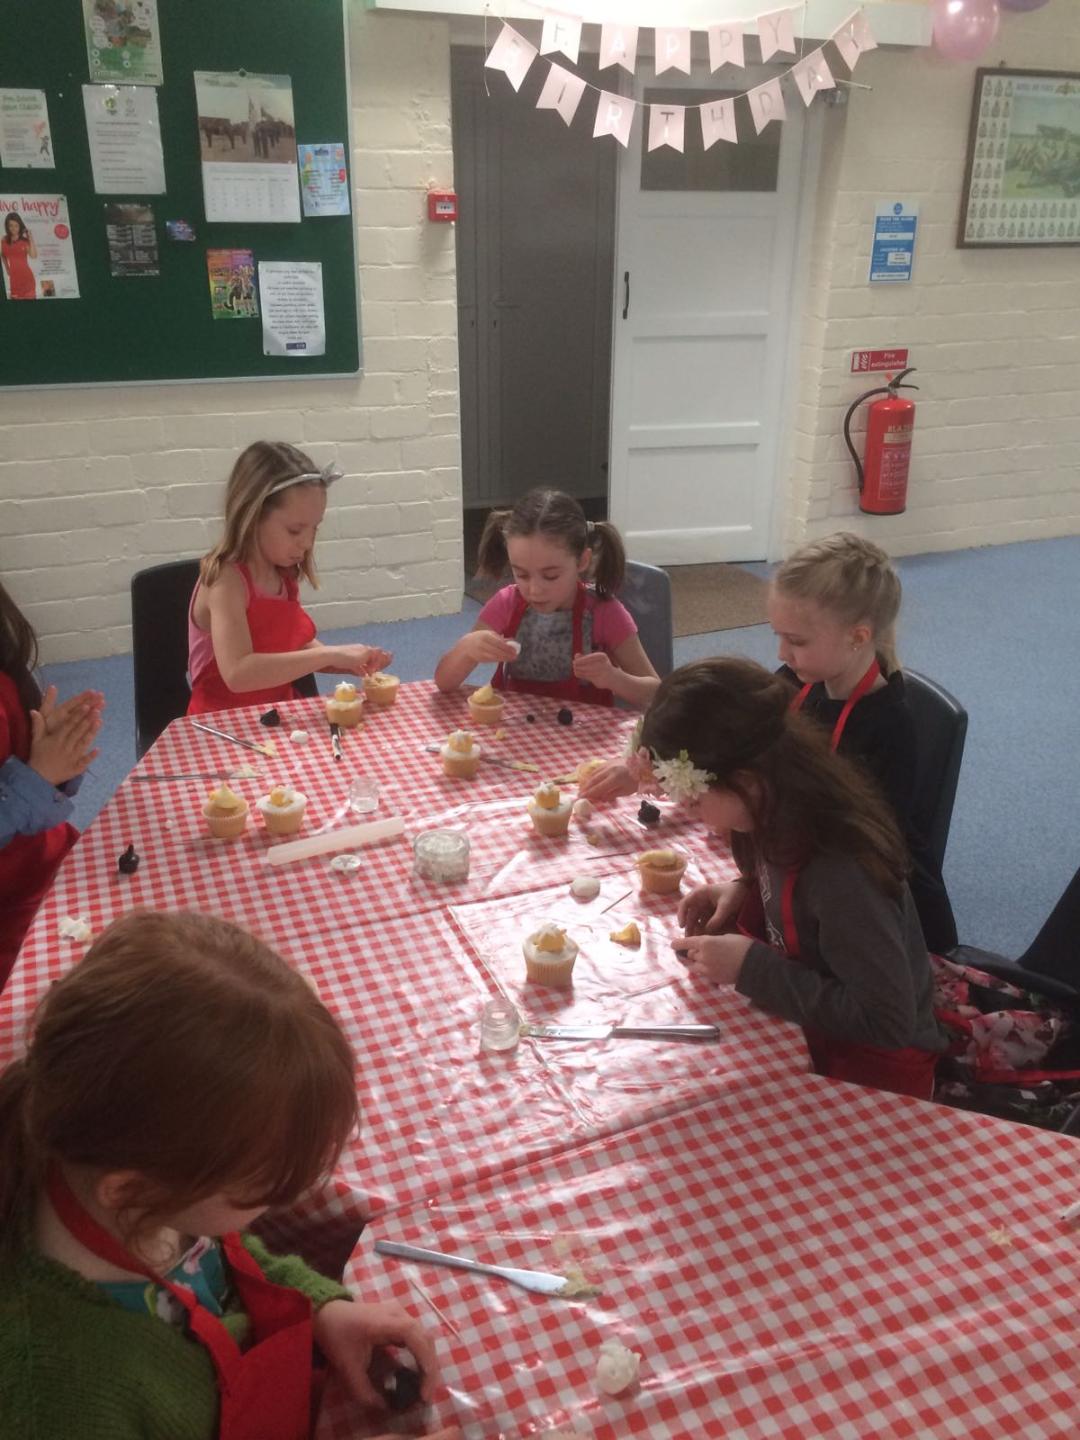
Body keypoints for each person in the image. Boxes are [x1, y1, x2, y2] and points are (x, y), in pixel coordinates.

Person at [0, 909, 459, 1440]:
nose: (284, 1200)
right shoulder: (56, 1394)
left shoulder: (132, 1187)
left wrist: (321, 1310)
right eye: (267, 1188)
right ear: (131, 1190)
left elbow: (221, 1264)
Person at [643, 658, 947, 1099]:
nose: (689, 812)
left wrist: (751, 968)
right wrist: (743, 891)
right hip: (811, 1032)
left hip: (877, 1075)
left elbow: (887, 1021)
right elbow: (793, 898)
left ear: (747, 781)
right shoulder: (772, 811)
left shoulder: (840, 871)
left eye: (693, 800)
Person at [765, 532, 957, 953]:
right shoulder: (798, 679)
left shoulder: (887, 726)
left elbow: (861, 843)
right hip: (810, 871)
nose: (781, 653)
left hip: (881, 911)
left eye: (796, 641)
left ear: (857, 637)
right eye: (778, 635)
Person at [188, 441, 392, 716]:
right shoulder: (225, 581)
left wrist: (348, 661)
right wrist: (330, 655)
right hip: (220, 720)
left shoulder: (282, 573)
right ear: (253, 516)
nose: (306, 543)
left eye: (314, 529)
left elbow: (295, 645)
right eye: (295, 530)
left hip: (276, 711)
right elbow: (238, 673)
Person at [434, 488, 658, 706]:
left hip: (582, 730)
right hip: (515, 727)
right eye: (521, 574)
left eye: (550, 576)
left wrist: (614, 678)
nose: (534, 590)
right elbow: (444, 682)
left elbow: (656, 695)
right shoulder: (507, 603)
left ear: (582, 561)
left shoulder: (604, 612)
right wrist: (467, 649)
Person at [0, 579, 104, 987]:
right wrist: (38, 778)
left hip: (55, 864)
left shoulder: (7, 679)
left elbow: (39, 789)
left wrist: (58, 756)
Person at [1, 212, 37, 301]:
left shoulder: (25, 241)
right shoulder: (3, 241)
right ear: (7, 226)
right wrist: (7, 268)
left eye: (16, 226)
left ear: (20, 226)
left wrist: (30, 238)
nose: (13, 228)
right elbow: (2, 254)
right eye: (11, 225)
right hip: (14, 281)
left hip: (27, 279)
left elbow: (34, 256)